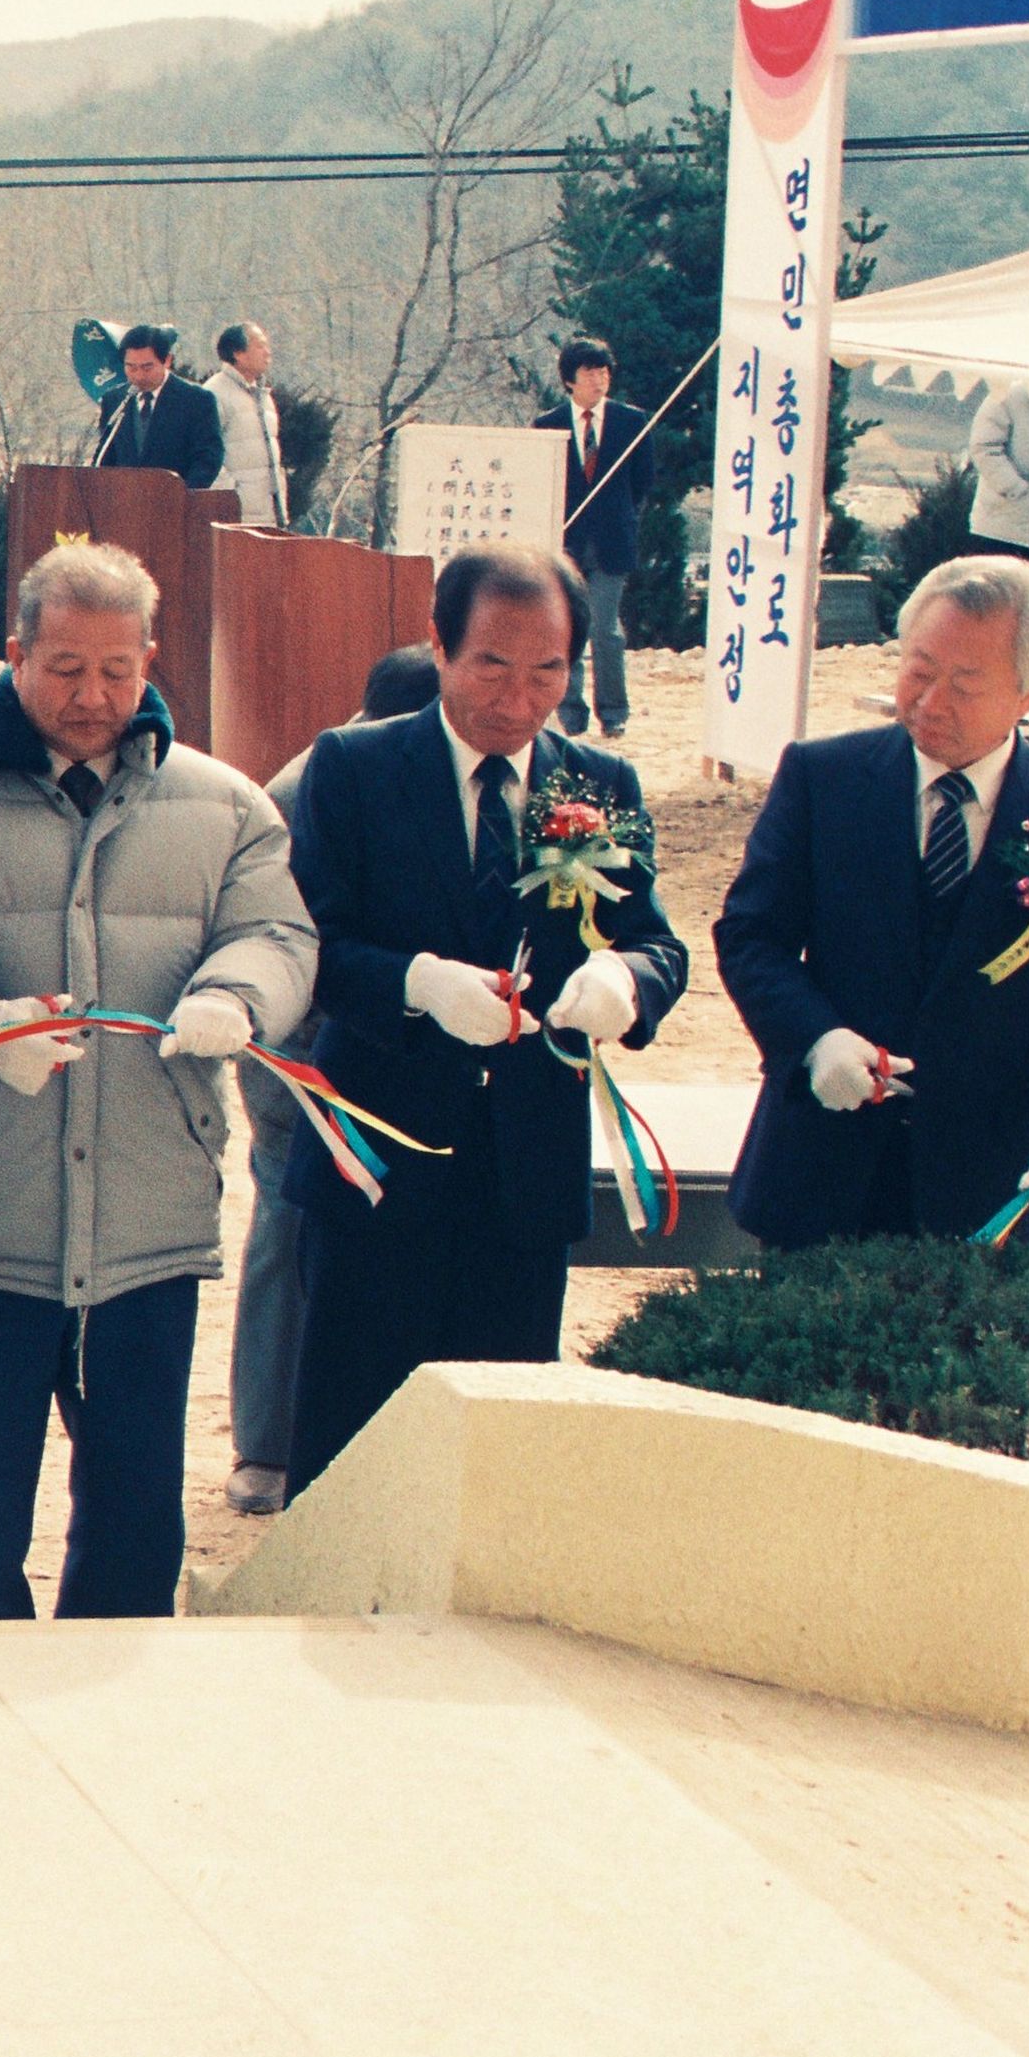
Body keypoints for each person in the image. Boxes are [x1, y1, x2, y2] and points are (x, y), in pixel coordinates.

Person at [0, 538, 315, 1621]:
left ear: (151, 658)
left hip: (146, 1210)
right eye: (64, 668)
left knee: (132, 1509)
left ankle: (108, 1708)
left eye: (117, 670)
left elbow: (275, 931)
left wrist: (235, 995)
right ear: (14, 652)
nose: (92, 696)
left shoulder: (224, 805)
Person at [285, 543, 688, 1481]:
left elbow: (659, 941)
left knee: (492, 1463)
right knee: (351, 1450)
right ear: (438, 646)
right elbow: (310, 946)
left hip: (523, 1169)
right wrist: (418, 983)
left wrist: (624, 982)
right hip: (376, 1162)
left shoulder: (599, 784)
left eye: (548, 670)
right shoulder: (353, 766)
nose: (518, 698)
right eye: (492, 666)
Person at [716, 556, 1029, 1246]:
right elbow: (751, 936)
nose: (930, 701)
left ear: (1025, 694)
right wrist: (815, 1038)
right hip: (824, 1171)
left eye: (965, 682)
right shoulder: (822, 778)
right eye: (918, 670)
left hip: (997, 1195)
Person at [224, 645, 440, 1516]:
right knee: (284, 1223)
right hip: (297, 1050)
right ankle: (266, 1447)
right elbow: (290, 940)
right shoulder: (314, 786)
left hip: (377, 1055)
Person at [534, 338, 650, 737]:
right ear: (570, 380)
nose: (599, 381)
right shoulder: (547, 426)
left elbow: (643, 485)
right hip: (564, 544)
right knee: (567, 627)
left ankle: (614, 712)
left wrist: (618, 520)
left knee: (604, 628)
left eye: (604, 373)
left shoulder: (633, 423)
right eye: (589, 373)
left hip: (612, 544)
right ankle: (570, 710)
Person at [91, 324, 225, 489]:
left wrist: (184, 495)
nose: (139, 376)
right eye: (131, 367)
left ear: (167, 360)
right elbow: (105, 457)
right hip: (124, 503)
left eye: (147, 367)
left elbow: (208, 458)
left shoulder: (197, 400)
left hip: (175, 503)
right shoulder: (115, 401)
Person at [207, 324, 288, 529]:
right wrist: (232, 494)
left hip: (270, 512)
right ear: (238, 354)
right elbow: (206, 454)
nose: (267, 352)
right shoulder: (214, 394)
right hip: (237, 516)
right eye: (260, 346)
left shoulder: (262, 395)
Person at [973, 376, 1029, 561]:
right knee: (999, 589)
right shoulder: (1007, 392)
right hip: (1002, 529)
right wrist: (1017, 489)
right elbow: (984, 448)